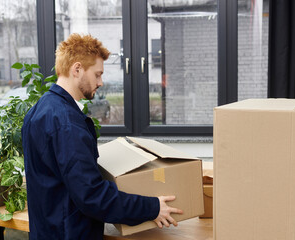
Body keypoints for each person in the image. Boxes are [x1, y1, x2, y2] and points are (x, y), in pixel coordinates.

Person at [21, 33, 183, 239]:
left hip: (47, 230)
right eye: (97, 74)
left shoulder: (39, 109)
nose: (101, 82)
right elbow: (91, 196)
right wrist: (151, 207)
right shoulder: (66, 123)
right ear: (77, 69)